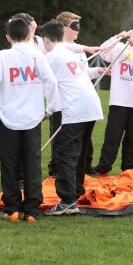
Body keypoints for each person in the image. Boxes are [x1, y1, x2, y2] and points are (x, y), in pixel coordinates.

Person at [0, 18, 59, 223]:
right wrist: (50, 108)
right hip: (33, 118)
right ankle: (32, 210)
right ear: (29, 35)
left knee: (9, 163)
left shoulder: (3, 56)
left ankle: (12, 209)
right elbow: (51, 82)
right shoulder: (38, 56)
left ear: (8, 37)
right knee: (32, 163)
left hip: (7, 118)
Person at [39, 19, 103, 216]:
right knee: (79, 151)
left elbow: (46, 87)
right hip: (90, 106)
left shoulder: (51, 57)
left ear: (45, 39)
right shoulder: (69, 54)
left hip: (75, 109)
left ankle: (67, 200)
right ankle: (75, 191)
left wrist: (47, 111)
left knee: (64, 153)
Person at [94, 21, 133, 177]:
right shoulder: (118, 47)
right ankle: (104, 169)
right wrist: (119, 36)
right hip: (118, 101)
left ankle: (129, 171)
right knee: (112, 138)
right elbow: (103, 51)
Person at [52, 11, 103, 177]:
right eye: (74, 26)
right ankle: (57, 172)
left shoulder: (79, 51)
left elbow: (82, 72)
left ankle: (77, 177)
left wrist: (98, 70)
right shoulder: (53, 47)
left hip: (78, 103)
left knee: (80, 144)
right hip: (62, 103)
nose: (78, 30)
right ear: (62, 28)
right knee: (61, 143)